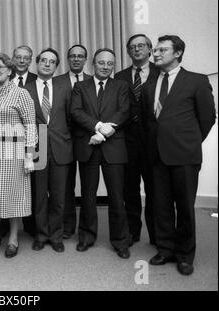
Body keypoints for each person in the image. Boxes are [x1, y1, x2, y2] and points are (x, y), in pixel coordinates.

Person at [142, 35, 216, 276]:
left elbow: (207, 118)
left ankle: (185, 255)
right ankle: (165, 249)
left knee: (184, 207)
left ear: (178, 53)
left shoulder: (196, 80)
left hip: (185, 155)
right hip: (156, 155)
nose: (156, 53)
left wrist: (190, 142)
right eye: (155, 49)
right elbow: (147, 122)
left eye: (163, 49)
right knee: (160, 206)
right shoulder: (149, 85)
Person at [70, 48, 131, 259]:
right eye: (101, 63)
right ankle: (86, 237)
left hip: (114, 148)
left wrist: (105, 133)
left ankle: (120, 241)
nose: (105, 67)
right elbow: (76, 112)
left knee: (116, 197)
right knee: (87, 196)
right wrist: (97, 126)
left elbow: (124, 111)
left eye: (110, 64)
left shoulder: (121, 86)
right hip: (88, 146)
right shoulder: (80, 86)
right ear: (93, 64)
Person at [0, 53, 37, 259]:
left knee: (13, 195)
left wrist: (29, 156)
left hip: (14, 153)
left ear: (10, 70)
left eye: (0, 67)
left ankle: (13, 237)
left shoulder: (21, 93)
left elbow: (30, 125)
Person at [25, 48, 72, 253]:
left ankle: (56, 235)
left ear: (56, 66)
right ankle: (41, 234)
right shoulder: (25, 90)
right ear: (37, 63)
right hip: (37, 149)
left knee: (59, 196)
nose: (47, 64)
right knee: (39, 196)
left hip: (61, 147)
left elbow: (72, 117)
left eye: (51, 62)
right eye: (43, 60)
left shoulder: (65, 87)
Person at [115, 34, 159, 246]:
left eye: (141, 45)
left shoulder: (162, 73)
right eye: (132, 47)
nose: (137, 49)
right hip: (128, 143)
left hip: (156, 144)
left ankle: (157, 235)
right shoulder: (120, 76)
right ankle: (132, 232)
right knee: (130, 191)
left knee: (156, 191)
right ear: (128, 51)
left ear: (150, 49)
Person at [54, 44, 92, 239]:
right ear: (68, 59)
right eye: (72, 56)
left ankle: (86, 229)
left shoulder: (93, 81)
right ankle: (67, 226)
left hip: (88, 141)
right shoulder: (56, 81)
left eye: (80, 56)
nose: (76, 59)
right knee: (66, 186)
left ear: (85, 59)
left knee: (87, 186)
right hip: (62, 141)